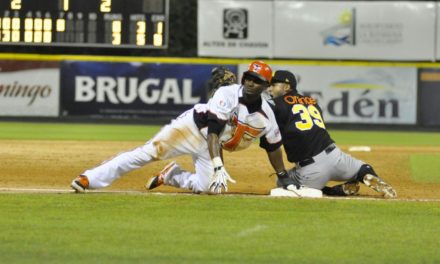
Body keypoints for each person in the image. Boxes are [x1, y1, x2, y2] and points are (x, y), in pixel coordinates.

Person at [71, 61, 288, 194]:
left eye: (257, 80)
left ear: (266, 86)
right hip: (191, 128)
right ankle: (89, 178)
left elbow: (274, 146)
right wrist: (218, 165)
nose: (250, 83)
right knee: (147, 154)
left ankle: (173, 176)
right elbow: (213, 132)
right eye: (248, 78)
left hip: (210, 146)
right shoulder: (227, 93)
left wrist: (282, 174)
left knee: (210, 189)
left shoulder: (267, 115)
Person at [267, 70, 397, 198]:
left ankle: (327, 190)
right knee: (362, 168)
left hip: (312, 168)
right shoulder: (312, 101)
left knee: (283, 183)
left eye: (273, 85)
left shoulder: (277, 104)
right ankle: (365, 176)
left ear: (287, 86)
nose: (269, 89)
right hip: (335, 156)